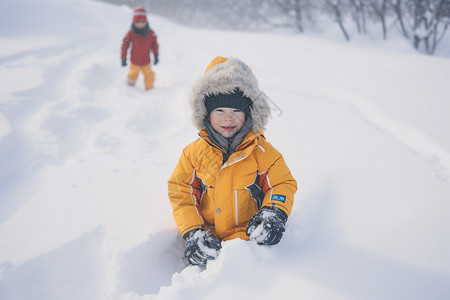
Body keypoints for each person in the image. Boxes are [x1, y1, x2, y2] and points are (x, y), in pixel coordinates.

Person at [168, 56, 298, 266]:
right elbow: (181, 192)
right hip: (209, 243)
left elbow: (282, 184)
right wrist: (192, 232)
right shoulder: (193, 154)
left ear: (249, 114)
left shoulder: (261, 152)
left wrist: (274, 211)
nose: (227, 119)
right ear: (206, 113)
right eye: (219, 111)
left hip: (251, 241)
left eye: (236, 111)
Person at [121, 7, 159, 90]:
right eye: (137, 22)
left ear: (146, 21)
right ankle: (129, 89)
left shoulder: (150, 33)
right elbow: (125, 44)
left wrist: (156, 55)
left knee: (149, 75)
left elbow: (155, 45)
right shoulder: (131, 33)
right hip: (134, 61)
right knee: (132, 75)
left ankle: (150, 90)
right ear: (133, 22)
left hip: (146, 61)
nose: (139, 24)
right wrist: (123, 57)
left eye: (142, 22)